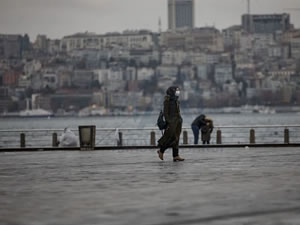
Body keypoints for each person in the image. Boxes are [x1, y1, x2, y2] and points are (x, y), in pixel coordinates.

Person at [157, 86, 184, 162]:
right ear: (172, 92)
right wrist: (169, 121)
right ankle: (161, 151)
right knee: (171, 138)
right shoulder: (167, 101)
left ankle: (176, 155)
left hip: (178, 121)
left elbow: (177, 111)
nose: (178, 92)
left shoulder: (176, 100)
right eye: (176, 91)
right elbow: (165, 113)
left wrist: (180, 119)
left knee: (177, 138)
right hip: (172, 123)